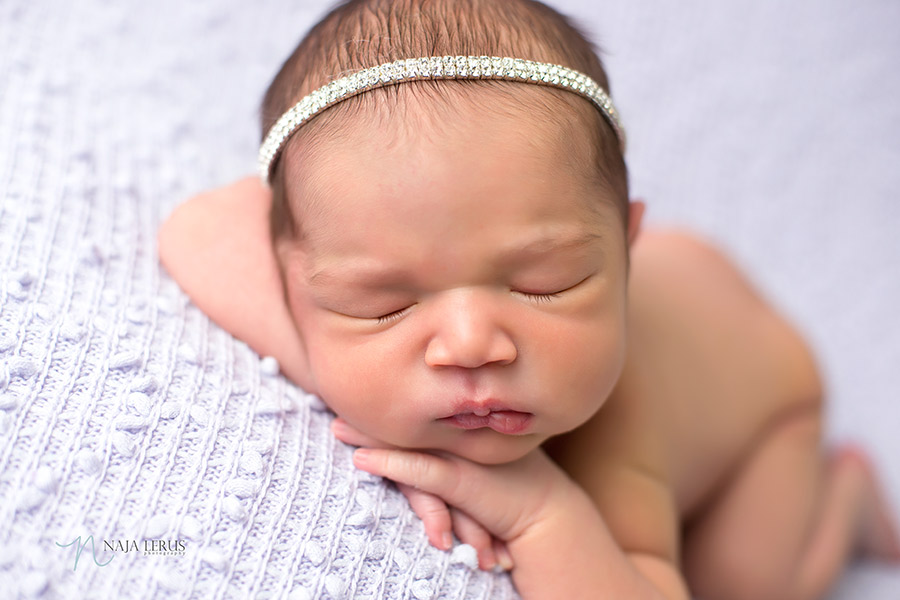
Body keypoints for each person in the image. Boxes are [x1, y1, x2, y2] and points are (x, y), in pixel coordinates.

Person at [157, 0, 900, 598]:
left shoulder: (618, 424)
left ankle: (847, 499)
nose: (472, 343)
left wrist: (539, 508)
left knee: (741, 582)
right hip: (689, 279)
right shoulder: (323, 264)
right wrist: (348, 372)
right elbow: (197, 228)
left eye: (546, 283)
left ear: (626, 245)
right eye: (382, 303)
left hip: (766, 394)